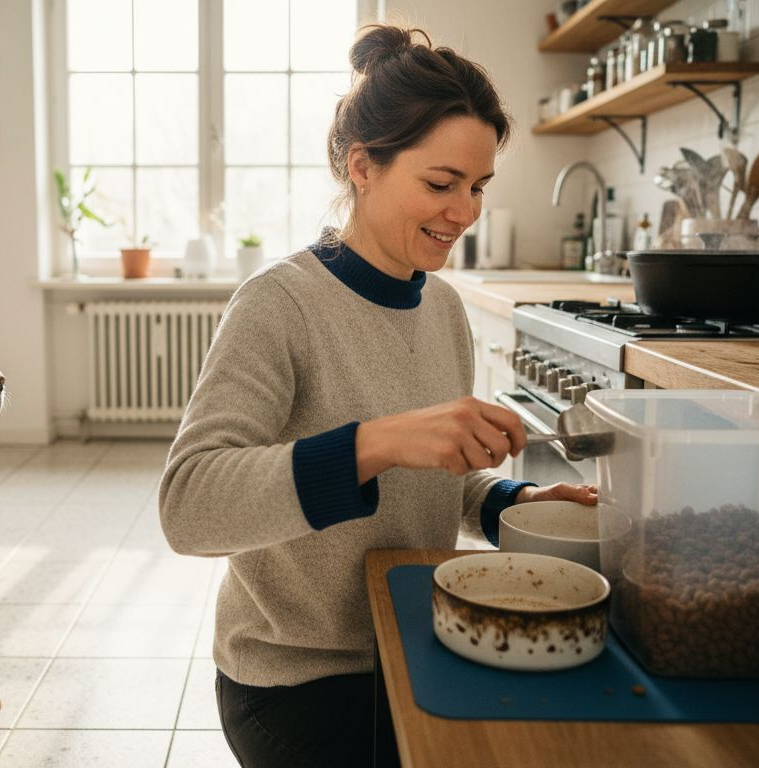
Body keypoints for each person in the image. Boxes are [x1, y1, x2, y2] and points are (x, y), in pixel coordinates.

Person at [159, 24, 598, 768]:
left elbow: (435, 477)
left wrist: (503, 504)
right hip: (296, 679)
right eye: (440, 183)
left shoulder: (445, 310)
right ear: (362, 166)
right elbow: (189, 507)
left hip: (418, 642)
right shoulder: (279, 304)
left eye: (478, 186)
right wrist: (375, 441)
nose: (464, 212)